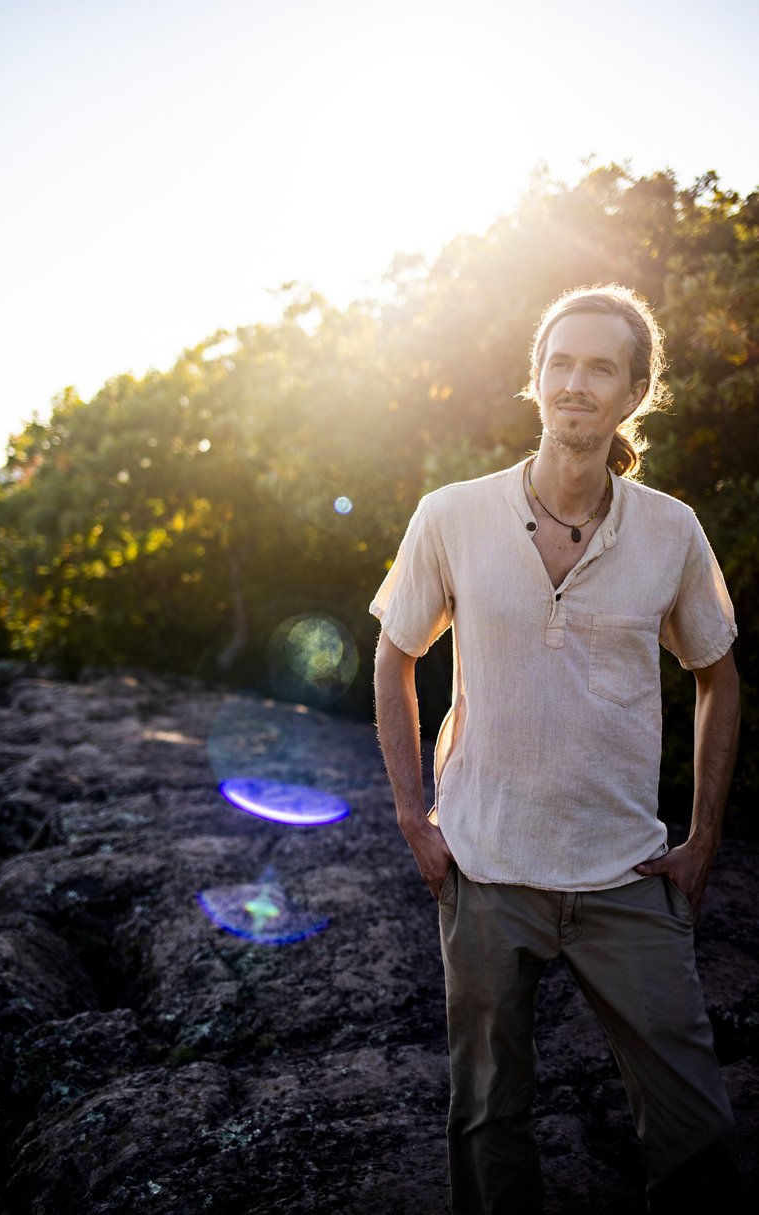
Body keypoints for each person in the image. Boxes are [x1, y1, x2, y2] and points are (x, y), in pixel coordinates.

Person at [370, 284, 741, 1214]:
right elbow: (392, 658)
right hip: (489, 872)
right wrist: (416, 818)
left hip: (625, 874)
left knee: (698, 1127)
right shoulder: (450, 514)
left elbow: (719, 675)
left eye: (600, 368)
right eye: (560, 364)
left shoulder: (672, 530)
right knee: (490, 1121)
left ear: (633, 393)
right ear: (536, 381)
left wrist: (701, 839)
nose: (576, 383)